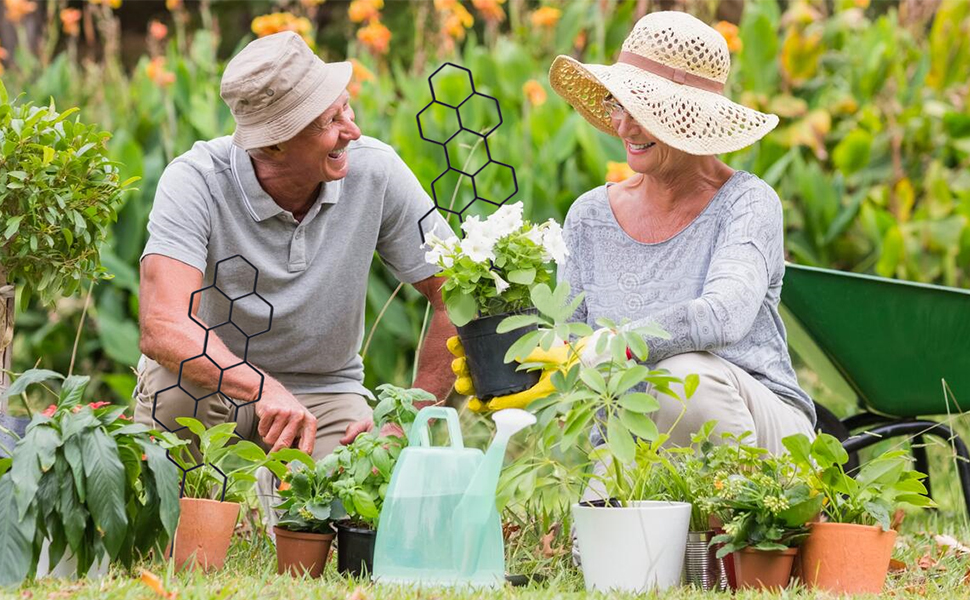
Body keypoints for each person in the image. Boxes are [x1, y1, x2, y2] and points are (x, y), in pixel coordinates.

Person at [455, 11, 816, 455]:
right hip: (632, 444)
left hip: (762, 432)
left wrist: (612, 346)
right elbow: (573, 343)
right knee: (598, 516)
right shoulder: (590, 216)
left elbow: (723, 314)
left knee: (685, 377)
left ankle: (744, 520)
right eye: (618, 105)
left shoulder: (746, 203)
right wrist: (513, 362)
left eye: (643, 110)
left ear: (692, 116)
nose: (623, 127)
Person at [134, 31, 455, 462]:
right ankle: (188, 524)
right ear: (274, 143)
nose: (353, 131)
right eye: (330, 122)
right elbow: (163, 324)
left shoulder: (376, 171)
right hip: (211, 383)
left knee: (355, 493)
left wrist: (406, 419)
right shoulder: (196, 179)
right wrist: (261, 387)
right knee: (173, 400)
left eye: (346, 108)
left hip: (326, 390)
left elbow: (455, 291)